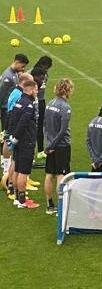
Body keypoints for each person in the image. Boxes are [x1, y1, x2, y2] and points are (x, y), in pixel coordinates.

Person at [43, 79, 74, 214]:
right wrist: (54, 144)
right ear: (67, 90)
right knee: (61, 175)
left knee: (49, 174)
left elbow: (44, 125)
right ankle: (62, 208)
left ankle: (50, 205)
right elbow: (62, 131)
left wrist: (49, 144)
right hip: (61, 145)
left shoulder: (50, 103)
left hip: (50, 143)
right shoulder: (65, 107)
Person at [8, 79, 40, 209]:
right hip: (26, 142)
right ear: (31, 90)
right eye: (36, 90)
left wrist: (12, 136)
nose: (37, 92)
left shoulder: (18, 102)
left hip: (18, 141)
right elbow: (23, 123)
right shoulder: (29, 105)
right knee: (23, 172)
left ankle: (17, 198)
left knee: (17, 169)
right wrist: (16, 137)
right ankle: (22, 201)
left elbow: (11, 119)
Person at [30, 56, 52, 159]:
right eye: (46, 67)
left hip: (41, 101)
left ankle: (40, 150)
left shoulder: (45, 75)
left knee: (41, 126)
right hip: (32, 101)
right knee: (31, 126)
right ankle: (30, 151)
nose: (46, 70)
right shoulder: (30, 74)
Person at [0, 53, 28, 133]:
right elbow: (1, 94)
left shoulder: (14, 72)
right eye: (22, 66)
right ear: (16, 62)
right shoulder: (8, 76)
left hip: (11, 108)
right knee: (7, 133)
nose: (23, 68)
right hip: (6, 109)